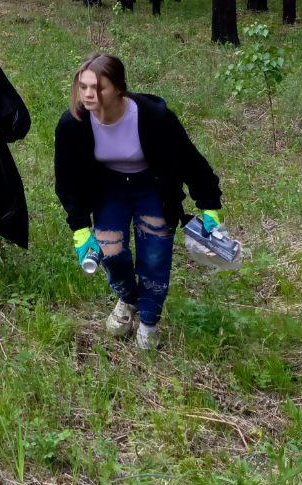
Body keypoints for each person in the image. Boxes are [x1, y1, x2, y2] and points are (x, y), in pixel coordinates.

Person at [53, 53, 223, 350]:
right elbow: (67, 179)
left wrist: (209, 204)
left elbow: (188, 158)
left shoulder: (153, 117)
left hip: (152, 186)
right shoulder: (74, 124)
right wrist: (80, 228)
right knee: (110, 251)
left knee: (155, 256)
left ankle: (148, 321)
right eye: (83, 87)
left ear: (119, 88)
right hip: (109, 187)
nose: (89, 94)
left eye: (98, 87)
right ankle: (128, 299)